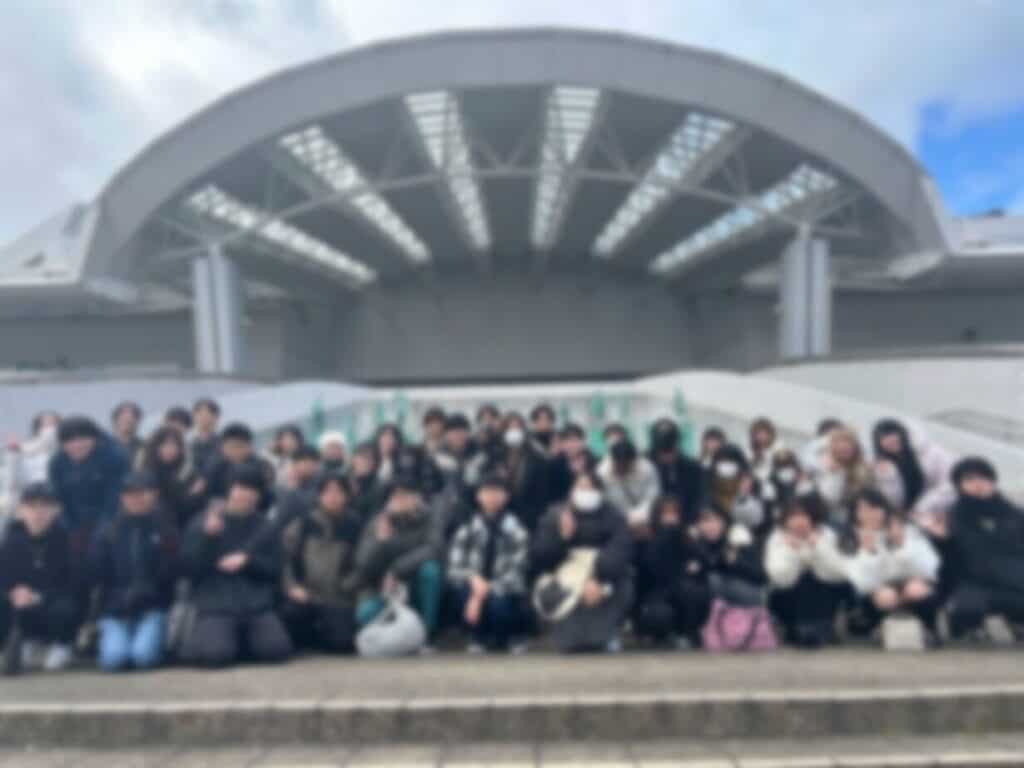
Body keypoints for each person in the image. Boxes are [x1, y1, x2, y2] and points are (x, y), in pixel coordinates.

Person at [180, 468, 292, 667]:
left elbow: (275, 570)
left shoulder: (266, 526)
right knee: (215, 655)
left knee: (276, 650)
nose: (245, 494)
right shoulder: (201, 522)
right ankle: (217, 639)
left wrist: (248, 562)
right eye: (240, 488)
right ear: (230, 489)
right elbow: (189, 569)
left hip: (256, 606)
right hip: (216, 605)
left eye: (252, 490)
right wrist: (208, 538)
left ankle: (238, 641)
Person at [638, 499, 765, 648]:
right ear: (697, 525)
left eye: (715, 520)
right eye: (705, 521)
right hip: (698, 605)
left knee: (713, 581)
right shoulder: (688, 543)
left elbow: (760, 576)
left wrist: (735, 563)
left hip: (740, 601)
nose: (711, 525)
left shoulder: (736, 541)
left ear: (724, 522)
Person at [531, 471, 633, 653]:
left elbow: (620, 548)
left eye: (591, 488)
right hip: (564, 570)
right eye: (581, 487)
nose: (586, 492)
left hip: (602, 570)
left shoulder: (614, 516)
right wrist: (562, 539)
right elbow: (542, 555)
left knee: (620, 587)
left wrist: (599, 578)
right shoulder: (555, 514)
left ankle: (605, 636)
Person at [89, 472, 178, 671]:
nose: (136, 498)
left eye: (142, 493)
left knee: (143, 657)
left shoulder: (166, 529)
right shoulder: (108, 531)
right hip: (116, 609)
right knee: (113, 660)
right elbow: (98, 573)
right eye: (130, 494)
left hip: (153, 608)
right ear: (122, 497)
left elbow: (171, 572)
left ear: (153, 495)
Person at [939, 458, 1024, 639]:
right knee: (966, 609)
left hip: (1012, 579)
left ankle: (1018, 622)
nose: (978, 484)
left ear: (992, 481)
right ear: (960, 485)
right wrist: (942, 540)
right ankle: (968, 629)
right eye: (969, 479)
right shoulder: (953, 516)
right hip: (972, 582)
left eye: (983, 478)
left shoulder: (1015, 514)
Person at [446, 474, 531, 653]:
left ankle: (506, 638)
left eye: (497, 491)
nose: (492, 496)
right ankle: (476, 637)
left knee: (498, 604)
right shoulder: (467, 528)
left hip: (505, 590)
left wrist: (484, 590)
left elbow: (518, 571)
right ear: (478, 496)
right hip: (474, 587)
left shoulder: (517, 531)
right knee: (460, 593)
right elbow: (453, 568)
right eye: (487, 491)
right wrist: (473, 579)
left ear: (506, 496)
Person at [353, 478, 444, 644]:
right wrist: (380, 542)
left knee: (430, 570)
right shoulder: (377, 523)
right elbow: (363, 566)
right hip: (383, 589)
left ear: (418, 498)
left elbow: (434, 549)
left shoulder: (429, 520)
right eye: (396, 496)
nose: (402, 500)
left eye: (408, 495)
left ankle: (427, 633)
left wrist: (396, 570)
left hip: (414, 585)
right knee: (364, 615)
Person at [842, 489, 940, 642]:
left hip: (912, 583)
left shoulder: (908, 531)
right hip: (876, 590)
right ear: (854, 514)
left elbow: (930, 569)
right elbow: (860, 583)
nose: (870, 514)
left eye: (875, 508)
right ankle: (880, 629)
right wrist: (867, 553)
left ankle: (928, 629)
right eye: (863, 510)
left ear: (884, 509)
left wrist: (901, 544)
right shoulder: (851, 538)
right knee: (886, 596)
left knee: (916, 590)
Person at [1, 483, 78, 675]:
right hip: (20, 609)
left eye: (45, 506)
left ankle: (62, 644)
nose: (38, 512)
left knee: (66, 607)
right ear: (21, 511)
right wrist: (12, 593)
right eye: (32, 506)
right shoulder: (10, 541)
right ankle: (22, 642)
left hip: (53, 607)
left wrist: (37, 596)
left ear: (56, 510)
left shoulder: (67, 540)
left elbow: (74, 586)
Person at [280, 473, 361, 653]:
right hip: (306, 594)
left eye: (338, 492)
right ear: (319, 495)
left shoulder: (355, 526)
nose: (333, 497)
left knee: (342, 644)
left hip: (339, 597)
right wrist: (291, 586)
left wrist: (347, 587)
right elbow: (283, 559)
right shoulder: (303, 524)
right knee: (291, 615)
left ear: (346, 496)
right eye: (327, 492)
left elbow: (362, 564)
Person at [765, 493, 850, 648]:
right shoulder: (777, 538)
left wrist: (817, 547)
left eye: (803, 516)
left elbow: (838, 573)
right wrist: (791, 552)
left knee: (815, 579)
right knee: (802, 580)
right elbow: (780, 578)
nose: (799, 521)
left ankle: (819, 629)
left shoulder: (826, 535)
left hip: (823, 594)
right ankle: (800, 630)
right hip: (788, 596)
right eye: (793, 516)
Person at [49, 416, 129, 559]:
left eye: (82, 439)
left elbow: (115, 497)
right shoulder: (57, 463)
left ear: (95, 439)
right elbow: (58, 498)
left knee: (102, 543)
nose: (77, 445)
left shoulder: (114, 457)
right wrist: (70, 528)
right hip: (75, 518)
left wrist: (103, 527)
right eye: (70, 441)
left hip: (109, 516)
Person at [871, 419, 955, 527]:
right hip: (907, 517)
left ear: (903, 434)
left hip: (939, 509)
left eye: (893, 433)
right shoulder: (881, 464)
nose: (890, 440)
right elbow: (894, 502)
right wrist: (888, 477)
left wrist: (922, 507)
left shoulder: (933, 453)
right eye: (883, 438)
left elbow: (951, 484)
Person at [485, 412, 552, 532]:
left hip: (529, 515)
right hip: (502, 514)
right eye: (510, 427)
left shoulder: (535, 457)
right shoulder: (495, 456)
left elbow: (542, 490)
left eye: (517, 427)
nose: (514, 431)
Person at [203, 423, 276, 514]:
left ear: (250, 447)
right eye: (231, 447)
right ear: (223, 448)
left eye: (240, 446)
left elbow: (268, 498)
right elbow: (208, 497)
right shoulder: (214, 468)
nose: (236, 451)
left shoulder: (261, 467)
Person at [141, 426, 204, 532]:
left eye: (174, 445)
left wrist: (194, 495)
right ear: (156, 447)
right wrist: (189, 495)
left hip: (184, 527)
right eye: (165, 444)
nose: (169, 449)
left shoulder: (189, 473)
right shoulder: (147, 473)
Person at [2, 411, 60, 526]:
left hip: (55, 503)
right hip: (28, 502)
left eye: (54, 424)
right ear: (38, 427)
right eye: (46, 424)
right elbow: (11, 480)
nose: (50, 429)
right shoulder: (22, 450)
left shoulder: (67, 452)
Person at [809, 426, 872, 525]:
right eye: (839, 443)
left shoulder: (863, 469)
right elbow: (829, 499)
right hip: (823, 515)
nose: (844, 446)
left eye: (848, 443)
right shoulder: (820, 466)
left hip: (854, 517)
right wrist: (834, 473)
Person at [596, 439, 661, 533]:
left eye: (625, 464)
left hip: (645, 518)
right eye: (619, 464)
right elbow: (604, 501)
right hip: (616, 519)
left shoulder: (647, 469)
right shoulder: (602, 473)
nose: (622, 467)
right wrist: (622, 519)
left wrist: (640, 515)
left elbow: (653, 496)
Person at [648, 419, 703, 527]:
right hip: (651, 522)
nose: (666, 456)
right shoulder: (646, 465)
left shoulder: (692, 467)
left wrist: (692, 523)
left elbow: (698, 497)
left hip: (686, 521)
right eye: (663, 451)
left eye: (669, 450)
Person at [705, 444, 764, 532]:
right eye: (723, 462)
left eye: (730, 462)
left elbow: (756, 520)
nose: (726, 466)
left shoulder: (750, 484)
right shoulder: (707, 482)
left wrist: (743, 496)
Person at [546, 423, 596, 504]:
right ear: (562, 444)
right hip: (561, 505)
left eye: (576, 440)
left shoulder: (592, 461)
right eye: (568, 441)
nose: (572, 445)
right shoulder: (554, 464)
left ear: (583, 442)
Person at [749, 418, 785, 486]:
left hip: (771, 482)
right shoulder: (752, 448)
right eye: (758, 434)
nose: (760, 436)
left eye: (763, 434)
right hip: (754, 480)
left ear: (770, 434)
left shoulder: (778, 447)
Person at [190, 398, 221, 474]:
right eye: (199, 414)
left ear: (216, 417)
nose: (203, 418)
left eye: (207, 414)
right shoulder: (190, 445)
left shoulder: (224, 443)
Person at [111, 401, 145, 468]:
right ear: (115, 421)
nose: (127, 423)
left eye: (129, 421)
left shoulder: (143, 447)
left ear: (137, 422)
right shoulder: (103, 445)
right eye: (124, 420)